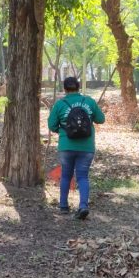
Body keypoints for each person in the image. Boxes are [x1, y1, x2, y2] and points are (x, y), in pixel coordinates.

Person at [47, 77, 105, 220]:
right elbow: (101, 119)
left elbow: (52, 125)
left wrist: (64, 131)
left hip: (66, 146)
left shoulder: (60, 104)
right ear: (78, 87)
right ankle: (83, 206)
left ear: (64, 88)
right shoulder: (89, 101)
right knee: (83, 176)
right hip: (87, 146)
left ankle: (63, 206)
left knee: (66, 175)